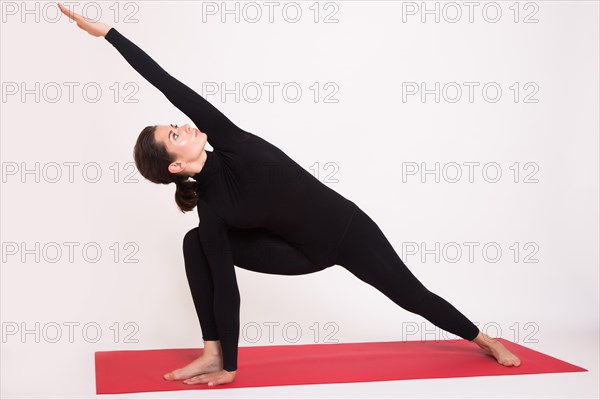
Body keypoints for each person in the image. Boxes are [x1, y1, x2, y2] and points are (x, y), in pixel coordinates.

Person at [58, 2, 521, 387]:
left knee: (410, 295)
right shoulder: (212, 210)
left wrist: (109, 34)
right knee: (196, 243)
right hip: (300, 254)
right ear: (175, 165)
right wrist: (232, 367)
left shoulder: (230, 140)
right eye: (175, 134)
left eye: (176, 124)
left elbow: (167, 82)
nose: (183, 126)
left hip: (347, 230)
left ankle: (483, 339)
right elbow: (227, 289)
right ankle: (212, 352)